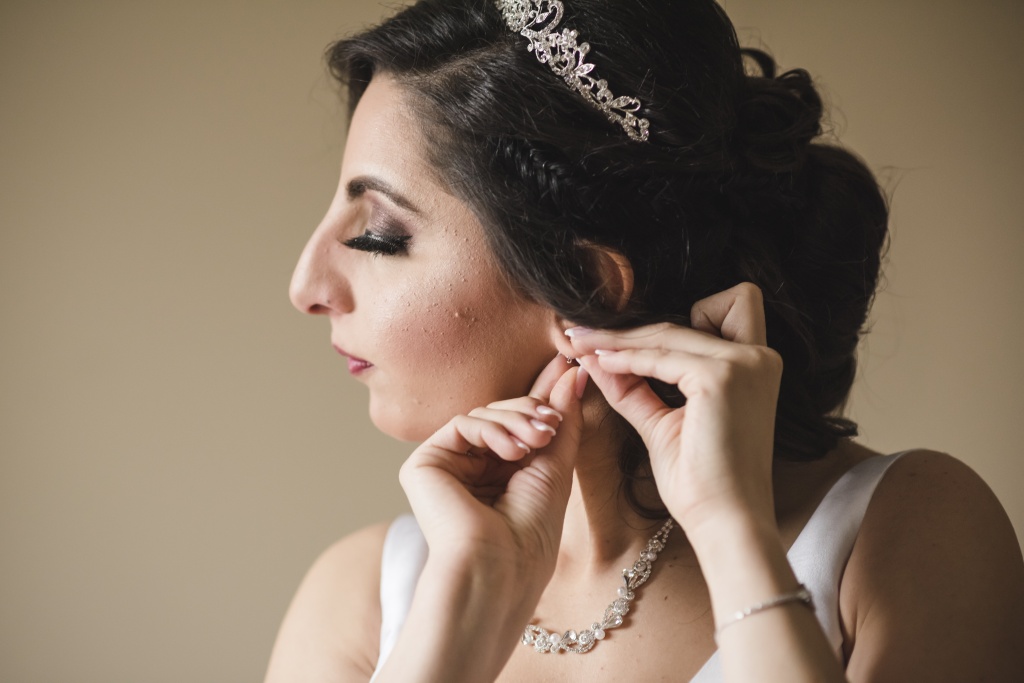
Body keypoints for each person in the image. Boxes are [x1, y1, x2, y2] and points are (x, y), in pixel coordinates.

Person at [265, 0, 1024, 680]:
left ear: (587, 283)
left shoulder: (905, 533)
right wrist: (462, 608)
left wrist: (733, 534)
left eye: (377, 236)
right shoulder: (361, 598)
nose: (305, 285)